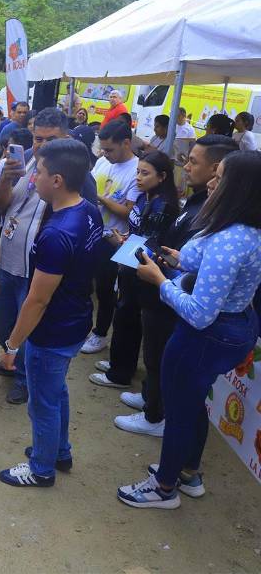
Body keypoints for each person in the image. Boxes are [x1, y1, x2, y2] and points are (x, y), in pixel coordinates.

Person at [119, 150, 261, 509]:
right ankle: (186, 472)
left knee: (180, 410)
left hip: (205, 336)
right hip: (228, 327)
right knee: (192, 403)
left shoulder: (232, 241)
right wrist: (179, 260)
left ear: (239, 188)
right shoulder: (239, 229)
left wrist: (160, 280)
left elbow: (200, 314)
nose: (211, 181)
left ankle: (164, 487)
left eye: (220, 176)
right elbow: (206, 265)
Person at [0, 139, 103, 487]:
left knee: (42, 402)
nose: (33, 178)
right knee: (56, 391)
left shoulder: (56, 234)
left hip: (52, 329)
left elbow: (37, 301)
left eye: (38, 172)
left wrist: (12, 345)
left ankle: (42, 468)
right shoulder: (88, 210)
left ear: (57, 180)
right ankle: (59, 451)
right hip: (76, 320)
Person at [0, 108, 88, 404]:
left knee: (31, 323)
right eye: (37, 138)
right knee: (3, 318)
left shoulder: (77, 177)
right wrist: (5, 180)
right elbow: (1, 207)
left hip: (41, 271)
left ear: (66, 138)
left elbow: (80, 227)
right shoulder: (25, 162)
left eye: (51, 139)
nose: (42, 145)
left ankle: (24, 378)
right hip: (9, 262)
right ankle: (13, 355)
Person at [89, 151, 179, 437]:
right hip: (131, 267)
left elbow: (151, 242)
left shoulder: (163, 205)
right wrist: (124, 242)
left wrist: (124, 247)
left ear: (162, 177)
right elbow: (137, 232)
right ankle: (122, 370)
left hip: (143, 273)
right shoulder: (144, 198)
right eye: (138, 172)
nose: (138, 178)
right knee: (126, 318)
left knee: (136, 326)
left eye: (145, 173)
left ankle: (129, 382)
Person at [80, 121, 139, 356]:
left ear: (126, 143)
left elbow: (129, 212)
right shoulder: (104, 162)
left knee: (106, 291)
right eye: (102, 149)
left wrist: (100, 199)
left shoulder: (138, 170)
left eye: (110, 149)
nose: (105, 154)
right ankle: (86, 327)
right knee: (87, 284)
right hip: (91, 233)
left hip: (114, 241)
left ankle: (101, 333)